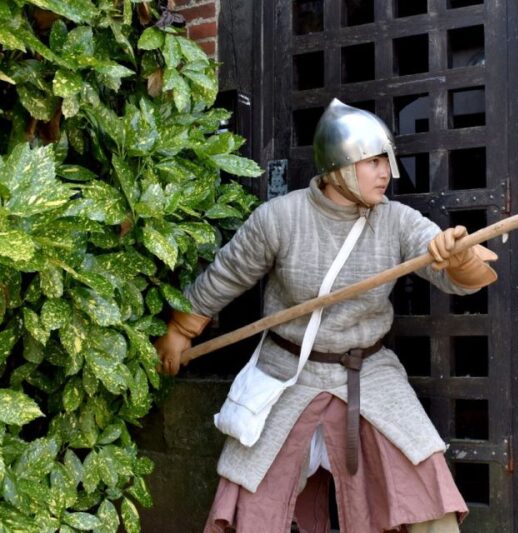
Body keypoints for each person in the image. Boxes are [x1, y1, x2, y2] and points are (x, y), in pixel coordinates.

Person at [154, 99, 498, 532]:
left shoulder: (397, 221)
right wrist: (182, 329)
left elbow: (456, 276)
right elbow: (226, 275)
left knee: (423, 479)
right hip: (286, 371)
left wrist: (457, 256)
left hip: (367, 371)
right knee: (252, 502)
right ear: (339, 167)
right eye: (372, 162)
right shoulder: (279, 218)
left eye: (385, 161)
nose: (386, 173)